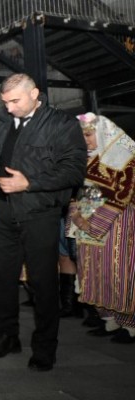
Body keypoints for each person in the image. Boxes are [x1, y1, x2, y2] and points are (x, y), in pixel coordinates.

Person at [0, 73, 86, 371]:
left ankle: (44, 348)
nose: (9, 108)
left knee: (42, 283)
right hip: (2, 212)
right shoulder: (1, 124)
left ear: (35, 93)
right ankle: (7, 336)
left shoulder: (61, 124)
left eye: (15, 101)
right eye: (5, 102)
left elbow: (74, 170)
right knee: (0, 280)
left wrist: (30, 183)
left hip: (40, 212)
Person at [71, 113, 135, 344]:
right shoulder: (88, 158)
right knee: (95, 271)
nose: (86, 140)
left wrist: (92, 222)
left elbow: (122, 196)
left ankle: (130, 325)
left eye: (88, 135)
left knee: (117, 271)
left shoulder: (126, 158)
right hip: (88, 222)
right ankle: (109, 320)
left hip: (116, 223)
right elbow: (78, 190)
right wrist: (76, 214)